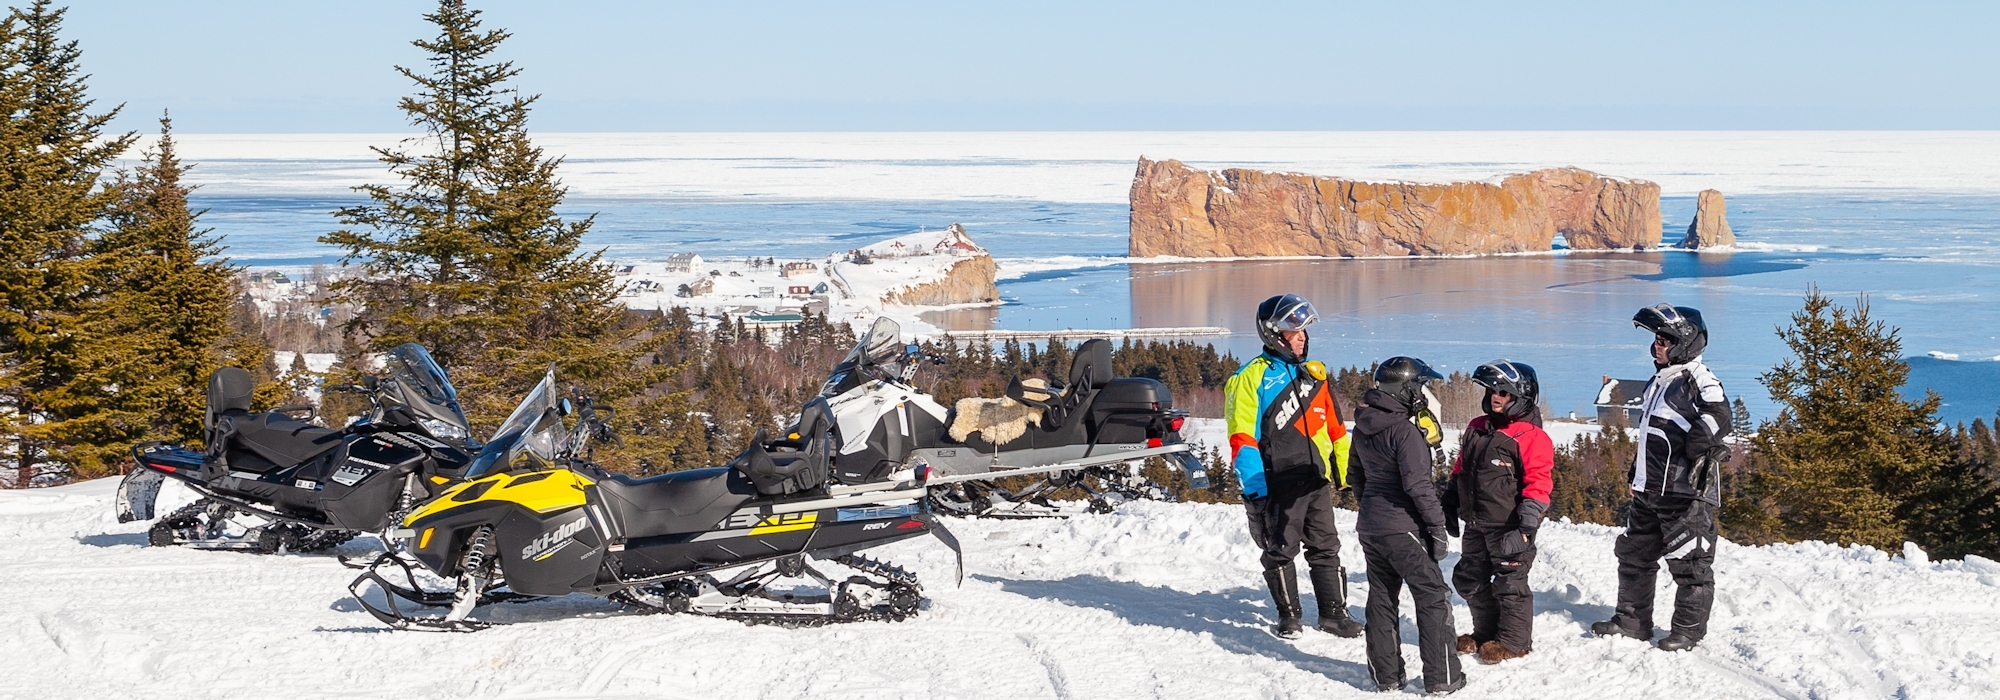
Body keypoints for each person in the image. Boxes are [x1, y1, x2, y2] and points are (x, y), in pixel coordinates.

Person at [1592, 304, 1732, 652]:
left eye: (1665, 339)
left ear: (1686, 343)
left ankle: (1687, 632)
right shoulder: (1661, 378)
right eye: (1656, 338)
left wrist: (1698, 446)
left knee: (1691, 564)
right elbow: (1652, 433)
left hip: (1684, 491)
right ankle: (1631, 622)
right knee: (1634, 556)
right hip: (1649, 488)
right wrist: (1635, 473)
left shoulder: (1699, 379)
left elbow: (1720, 415)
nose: (1657, 344)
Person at [1224, 293, 1363, 639]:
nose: (1302, 336)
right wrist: (1255, 488)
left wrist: (1347, 475)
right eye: (1294, 330)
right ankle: (1289, 616)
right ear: (1273, 334)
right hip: (1278, 480)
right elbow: (1242, 438)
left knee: (1326, 546)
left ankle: (1333, 614)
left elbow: (1336, 430)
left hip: (1315, 479)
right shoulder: (1250, 378)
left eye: (1304, 330)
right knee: (1280, 548)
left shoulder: (1315, 376)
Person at [1349, 356, 1465, 694]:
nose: (1423, 394)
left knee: (1382, 597)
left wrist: (1373, 506)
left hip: (1371, 526)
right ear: (1406, 390)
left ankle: (1386, 676)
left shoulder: (1363, 425)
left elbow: (1355, 476)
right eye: (1420, 387)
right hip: (1403, 527)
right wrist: (1437, 527)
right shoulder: (1405, 431)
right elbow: (1419, 486)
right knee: (1433, 595)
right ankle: (1443, 678)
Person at [1442, 359, 1552, 665]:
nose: (1496, 397)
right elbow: (1461, 469)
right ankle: (1485, 632)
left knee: (1510, 585)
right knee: (1468, 579)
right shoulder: (1477, 427)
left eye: (1503, 392)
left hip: (1510, 525)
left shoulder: (1530, 436)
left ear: (1521, 395)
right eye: (1492, 390)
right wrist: (1449, 502)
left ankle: (1515, 643)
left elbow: (1539, 485)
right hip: (1477, 522)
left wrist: (1526, 528)